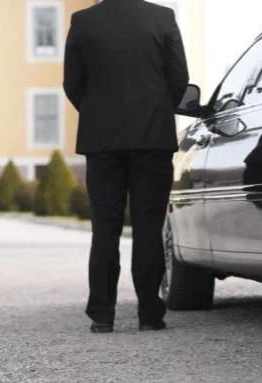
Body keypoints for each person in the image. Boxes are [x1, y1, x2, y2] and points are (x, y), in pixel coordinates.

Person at [64, 0, 189, 333]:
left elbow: (72, 83)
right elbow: (179, 80)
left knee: (105, 229)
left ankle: (102, 316)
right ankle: (150, 314)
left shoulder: (83, 20)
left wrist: (96, 112)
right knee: (149, 227)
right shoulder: (162, 17)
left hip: (102, 140)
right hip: (152, 138)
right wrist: (158, 109)